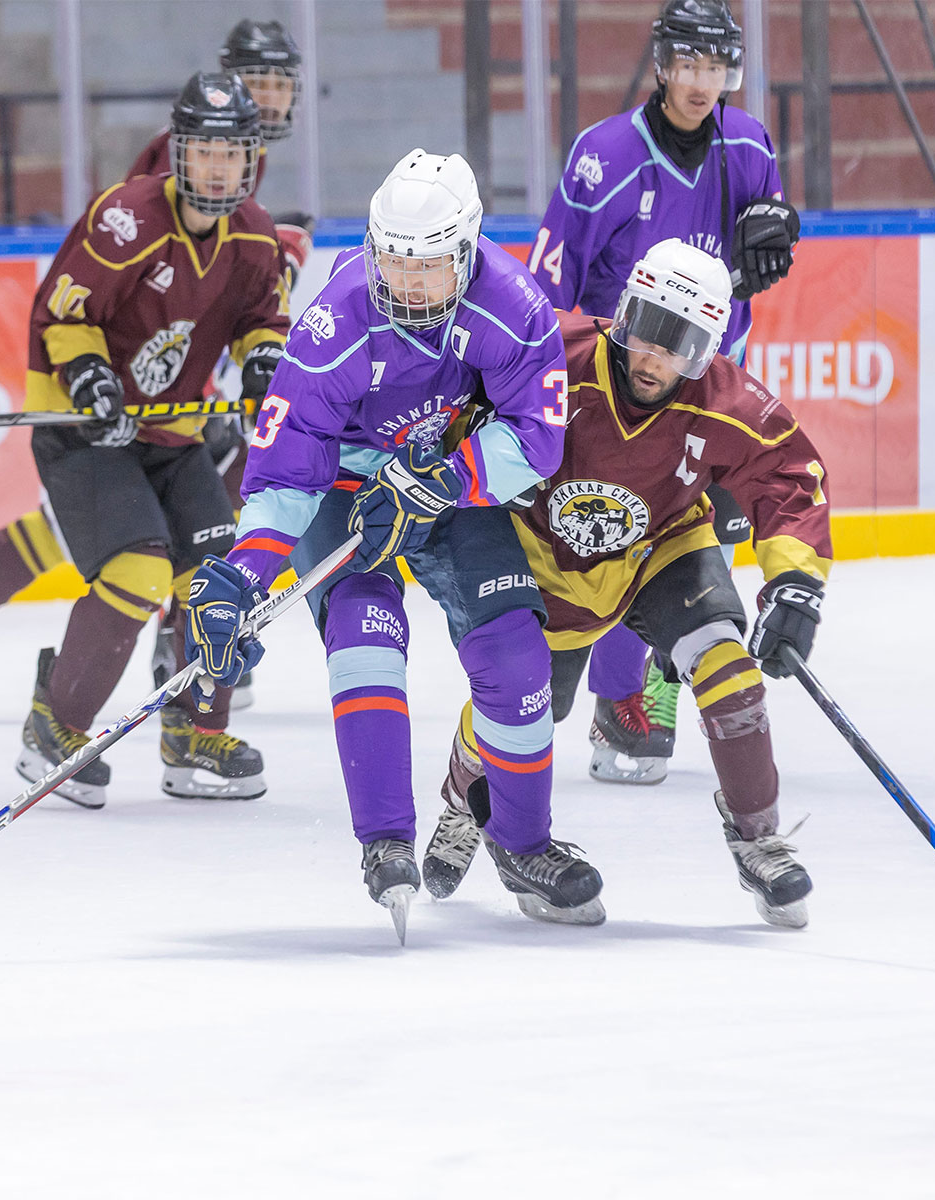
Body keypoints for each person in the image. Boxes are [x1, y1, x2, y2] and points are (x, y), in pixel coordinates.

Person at [183, 148, 606, 940]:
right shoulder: (334, 323)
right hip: (348, 489)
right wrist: (244, 575)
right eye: (394, 261)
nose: (407, 284)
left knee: (516, 652)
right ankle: (385, 838)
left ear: (468, 252)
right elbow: (286, 470)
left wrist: (447, 478)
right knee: (365, 639)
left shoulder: (514, 306)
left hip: (452, 478)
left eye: (429, 266)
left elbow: (538, 438)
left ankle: (524, 844)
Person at [0, 72, 289, 809]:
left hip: (174, 430)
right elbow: (66, 314)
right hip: (82, 426)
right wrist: (91, 382)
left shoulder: (254, 236)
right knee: (139, 571)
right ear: (179, 152)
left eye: (231, 154)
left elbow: (264, 320)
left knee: (217, 577)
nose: (219, 168)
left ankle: (195, 733)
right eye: (204, 151)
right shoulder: (127, 219)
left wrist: (261, 366)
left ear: (250, 158)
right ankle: (54, 728)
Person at [424, 238, 829, 928]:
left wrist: (796, 584)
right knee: (523, 706)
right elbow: (452, 389)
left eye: (680, 346)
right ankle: (463, 800)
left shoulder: (727, 400)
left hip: (661, 549)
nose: (653, 359)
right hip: (549, 558)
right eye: (647, 330)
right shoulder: (554, 353)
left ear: (707, 351)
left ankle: (758, 838)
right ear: (625, 311)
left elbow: (791, 479)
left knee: (729, 668)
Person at [530, 0, 801, 784]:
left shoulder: (748, 144)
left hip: (703, 382)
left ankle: (644, 689)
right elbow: (548, 286)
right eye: (687, 64)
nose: (700, 82)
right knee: (620, 531)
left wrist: (774, 249)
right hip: (617, 385)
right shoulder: (604, 155)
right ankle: (618, 701)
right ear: (661, 65)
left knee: (703, 532)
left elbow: (761, 252)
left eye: (715, 66)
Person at [129, 18, 314, 709]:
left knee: (216, 496)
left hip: (187, 353)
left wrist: (274, 250)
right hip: (155, 358)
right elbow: (159, 256)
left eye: (278, 84)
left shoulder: (247, 154)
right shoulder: (186, 147)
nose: (268, 97)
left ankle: (181, 642)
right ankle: (175, 647)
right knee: (195, 503)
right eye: (255, 81)